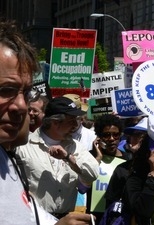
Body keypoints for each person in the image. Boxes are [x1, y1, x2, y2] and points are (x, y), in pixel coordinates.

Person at [0, 19, 95, 225]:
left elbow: (91, 175)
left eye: (26, 93)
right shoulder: (22, 146)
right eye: (6, 90)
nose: (21, 106)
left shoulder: (6, 158)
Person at [16, 96, 100, 218]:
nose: (75, 125)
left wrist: (69, 159)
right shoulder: (24, 146)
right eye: (71, 120)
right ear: (55, 122)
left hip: (65, 218)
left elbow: (93, 174)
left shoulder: (76, 147)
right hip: (33, 218)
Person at [105, 117, 148, 207]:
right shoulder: (122, 169)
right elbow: (111, 204)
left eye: (140, 135)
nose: (135, 139)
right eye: (133, 135)